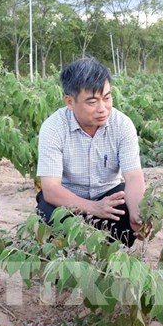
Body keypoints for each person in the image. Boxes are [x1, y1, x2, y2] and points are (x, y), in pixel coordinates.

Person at [35, 56, 145, 247]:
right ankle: (61, 268)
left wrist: (137, 213)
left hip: (107, 192)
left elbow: (134, 176)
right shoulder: (53, 128)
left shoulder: (122, 124)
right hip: (68, 196)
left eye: (107, 98)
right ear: (70, 102)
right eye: (92, 101)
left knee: (126, 212)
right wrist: (94, 208)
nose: (103, 109)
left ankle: (110, 266)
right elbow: (51, 189)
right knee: (49, 213)